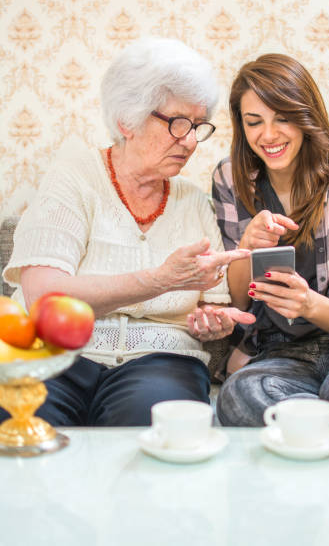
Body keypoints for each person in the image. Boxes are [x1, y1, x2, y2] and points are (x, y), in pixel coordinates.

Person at [1, 37, 255, 427]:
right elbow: (43, 296)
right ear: (127, 121)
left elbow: (212, 303)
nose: (189, 141)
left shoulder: (193, 201)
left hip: (162, 361)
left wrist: (212, 320)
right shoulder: (74, 179)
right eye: (177, 123)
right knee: (24, 424)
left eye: (198, 126)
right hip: (52, 353)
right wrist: (158, 281)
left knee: (151, 427)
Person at [212, 53, 329, 427]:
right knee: (239, 397)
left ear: (305, 116)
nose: (269, 135)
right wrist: (246, 247)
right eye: (254, 122)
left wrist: (308, 304)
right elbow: (236, 299)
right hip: (278, 352)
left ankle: (316, 440)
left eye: (282, 117)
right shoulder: (231, 180)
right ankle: (318, 441)